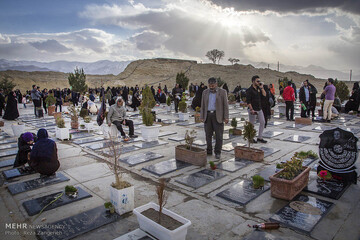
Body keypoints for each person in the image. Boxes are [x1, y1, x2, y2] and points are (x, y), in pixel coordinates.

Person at [200, 77, 229, 159]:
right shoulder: (205, 92)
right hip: (208, 115)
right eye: (210, 85)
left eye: (213, 85)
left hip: (218, 116)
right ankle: (209, 150)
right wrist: (202, 116)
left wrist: (226, 117)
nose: (211, 86)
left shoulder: (222, 92)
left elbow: (225, 105)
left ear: (216, 84)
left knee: (219, 135)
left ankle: (217, 152)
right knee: (208, 135)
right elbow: (203, 105)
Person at [246, 76, 267, 143]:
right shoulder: (249, 90)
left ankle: (260, 137)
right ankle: (250, 138)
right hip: (253, 109)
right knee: (251, 124)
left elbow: (264, 95)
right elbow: (248, 101)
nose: (259, 82)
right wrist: (251, 109)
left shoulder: (259, 89)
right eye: (257, 81)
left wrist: (262, 88)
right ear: (253, 81)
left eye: (259, 81)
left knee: (262, 122)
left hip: (259, 108)